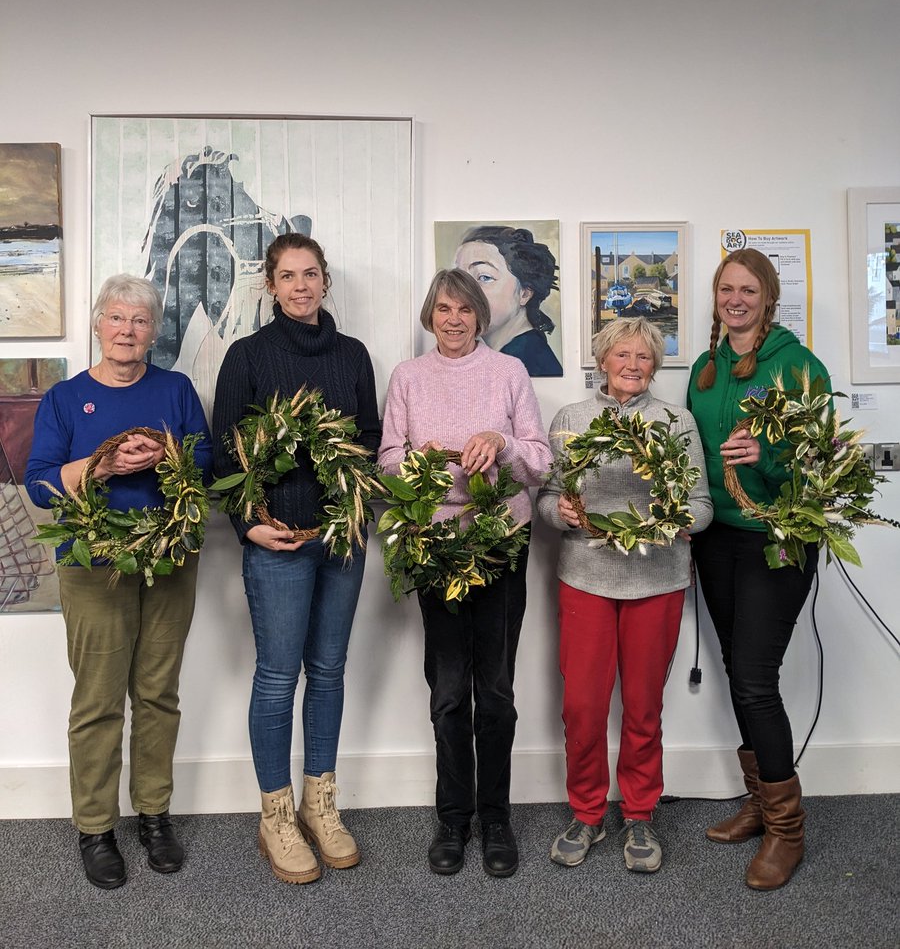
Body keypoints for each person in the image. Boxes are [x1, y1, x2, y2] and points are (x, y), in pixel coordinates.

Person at [25, 274, 212, 890]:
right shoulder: (65, 398)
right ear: (98, 324)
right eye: (116, 318)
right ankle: (96, 828)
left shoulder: (175, 389)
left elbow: (204, 461)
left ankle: (154, 816)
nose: (127, 330)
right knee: (99, 699)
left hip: (168, 559)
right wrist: (101, 465)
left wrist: (168, 455)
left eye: (139, 320)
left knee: (158, 693)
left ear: (153, 331)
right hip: (93, 565)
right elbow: (40, 482)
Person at [212, 232, 380, 885]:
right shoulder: (247, 356)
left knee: (329, 672)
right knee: (279, 677)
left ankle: (320, 805)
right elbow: (225, 454)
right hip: (277, 544)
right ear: (271, 286)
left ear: (325, 281)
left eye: (311, 274)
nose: (301, 286)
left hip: (341, 541)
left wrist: (352, 508)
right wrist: (248, 526)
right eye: (288, 276)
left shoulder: (353, 355)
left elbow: (370, 438)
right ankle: (276, 817)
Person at [378, 268, 552, 878]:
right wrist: (417, 464)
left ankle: (496, 817)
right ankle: (453, 817)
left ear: (480, 315)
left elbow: (540, 462)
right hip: (436, 545)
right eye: (444, 309)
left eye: (465, 309)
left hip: (501, 542)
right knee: (449, 689)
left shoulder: (509, 372)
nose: (454, 320)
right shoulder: (408, 377)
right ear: (430, 315)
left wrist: (501, 443)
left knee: (496, 689)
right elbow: (387, 460)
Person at [537, 317, 711, 874]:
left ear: (654, 366)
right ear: (602, 361)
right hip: (586, 577)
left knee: (643, 706)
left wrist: (680, 519)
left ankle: (639, 813)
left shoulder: (676, 422)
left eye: (643, 356)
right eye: (622, 354)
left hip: (657, 579)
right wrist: (561, 512)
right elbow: (546, 498)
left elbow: (702, 505)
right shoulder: (572, 419)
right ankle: (586, 812)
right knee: (583, 707)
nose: (632, 365)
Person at [687, 248, 830, 891]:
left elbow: (822, 466)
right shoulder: (706, 369)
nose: (735, 300)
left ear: (769, 297)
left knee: (753, 679)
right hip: (717, 539)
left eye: (748, 289)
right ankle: (760, 802)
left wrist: (766, 458)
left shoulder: (799, 367)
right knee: (735, 670)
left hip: (778, 537)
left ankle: (786, 831)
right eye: (727, 289)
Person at [453, 225, 563, 376]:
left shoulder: (530, 361)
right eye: (458, 279)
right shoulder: (505, 355)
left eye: (484, 277)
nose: (464, 291)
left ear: (525, 293)